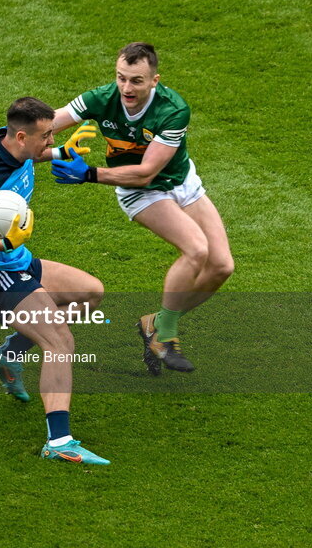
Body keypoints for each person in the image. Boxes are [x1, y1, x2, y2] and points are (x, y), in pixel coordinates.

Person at [46, 42, 234, 375]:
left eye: (136, 80)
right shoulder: (99, 99)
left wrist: (88, 174)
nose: (126, 88)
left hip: (179, 183)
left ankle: (154, 323)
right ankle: (165, 336)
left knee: (221, 266)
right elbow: (45, 125)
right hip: (140, 193)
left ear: (154, 81)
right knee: (196, 250)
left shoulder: (173, 110)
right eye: (121, 78)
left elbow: (149, 170)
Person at [0, 97, 110, 465]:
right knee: (61, 340)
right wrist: (0, 242)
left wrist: (62, 151)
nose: (51, 141)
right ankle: (59, 442)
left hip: (15, 261)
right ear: (20, 136)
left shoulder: (10, 143)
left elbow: (29, 154)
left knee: (90, 293)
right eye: (47, 136)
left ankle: (7, 355)